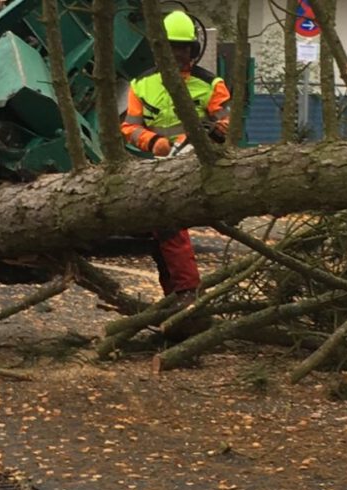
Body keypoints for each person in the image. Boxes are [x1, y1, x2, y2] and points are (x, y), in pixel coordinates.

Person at [120, 10, 231, 299]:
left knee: (168, 222)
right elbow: (129, 127)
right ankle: (175, 295)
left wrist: (218, 130)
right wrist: (151, 141)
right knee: (160, 233)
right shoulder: (141, 85)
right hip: (158, 164)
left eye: (182, 47)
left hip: (196, 163)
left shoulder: (210, 84)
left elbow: (227, 121)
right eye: (171, 47)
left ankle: (186, 291)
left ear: (193, 49)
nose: (177, 53)